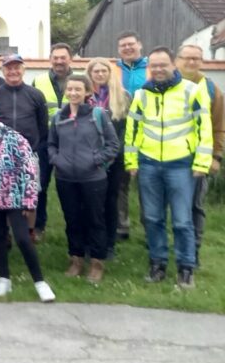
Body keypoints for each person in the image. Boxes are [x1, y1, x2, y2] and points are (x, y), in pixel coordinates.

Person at [124, 47, 210, 289]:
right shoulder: (141, 95)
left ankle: (186, 268)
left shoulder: (192, 91)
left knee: (183, 220)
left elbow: (204, 128)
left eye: (164, 64)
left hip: (181, 165)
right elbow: (132, 131)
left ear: (173, 65)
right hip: (148, 163)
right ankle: (157, 263)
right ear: (149, 67)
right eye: (154, 66)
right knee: (152, 218)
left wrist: (202, 163)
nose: (159, 69)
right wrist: (131, 162)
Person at [0, 104, 56, 303]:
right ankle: (3, 278)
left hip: (15, 198)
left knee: (23, 239)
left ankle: (40, 282)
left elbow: (29, 170)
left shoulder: (14, 138)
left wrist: (29, 199)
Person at [49, 75, 120, 283]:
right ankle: (76, 259)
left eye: (78, 89)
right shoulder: (58, 117)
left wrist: (96, 160)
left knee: (95, 220)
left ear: (87, 92)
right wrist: (56, 159)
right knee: (72, 220)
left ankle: (97, 262)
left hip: (93, 178)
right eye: (70, 89)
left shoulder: (97, 115)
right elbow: (51, 144)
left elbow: (113, 144)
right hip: (65, 178)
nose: (73, 93)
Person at [0, 54, 48, 240]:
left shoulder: (35, 94)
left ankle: (29, 231)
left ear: (23, 69)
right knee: (5, 191)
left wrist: (35, 145)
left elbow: (42, 125)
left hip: (29, 152)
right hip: (1, 153)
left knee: (31, 191)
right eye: (9, 68)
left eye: (17, 67)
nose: (13, 71)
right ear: (3, 71)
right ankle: (6, 233)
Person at [175, 44, 225, 267]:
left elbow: (219, 125)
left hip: (197, 159)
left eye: (196, 59)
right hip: (166, 159)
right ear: (178, 60)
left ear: (202, 61)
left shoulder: (211, 89)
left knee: (194, 207)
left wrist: (216, 156)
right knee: (161, 210)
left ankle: (192, 252)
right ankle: (159, 252)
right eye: (187, 58)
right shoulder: (165, 84)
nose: (191, 62)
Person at [86, 57, 132, 259]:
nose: (100, 74)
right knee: (89, 203)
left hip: (114, 159)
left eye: (103, 71)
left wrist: (112, 154)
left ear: (109, 73)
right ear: (90, 74)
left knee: (110, 202)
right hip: (89, 159)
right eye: (95, 71)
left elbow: (126, 130)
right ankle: (90, 244)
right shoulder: (85, 97)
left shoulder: (123, 96)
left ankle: (109, 245)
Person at [31, 42, 74, 237]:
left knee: (71, 186)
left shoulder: (80, 80)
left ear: (70, 59)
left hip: (72, 141)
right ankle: (39, 225)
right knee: (40, 184)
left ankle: (73, 225)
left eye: (62, 58)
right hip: (45, 140)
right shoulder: (38, 81)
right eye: (55, 58)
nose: (59, 61)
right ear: (50, 60)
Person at [113, 30, 148, 240]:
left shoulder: (151, 68)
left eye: (131, 44)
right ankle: (121, 227)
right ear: (119, 50)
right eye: (123, 45)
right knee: (120, 182)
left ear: (139, 45)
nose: (127, 48)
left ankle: (149, 229)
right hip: (121, 127)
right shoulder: (114, 69)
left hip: (148, 129)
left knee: (146, 185)